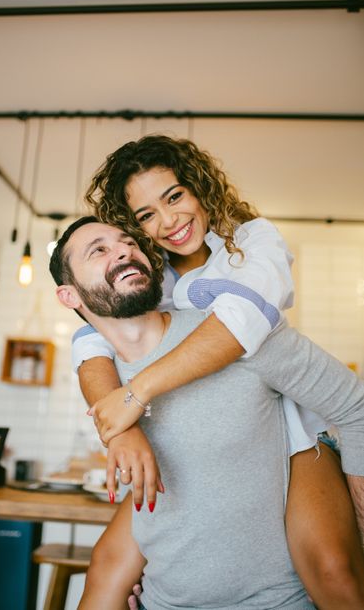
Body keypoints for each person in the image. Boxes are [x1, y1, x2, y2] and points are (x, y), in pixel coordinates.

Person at [72, 135, 364, 609]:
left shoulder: (253, 242)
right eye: (146, 216)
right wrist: (119, 432)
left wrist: (134, 397)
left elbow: (240, 326)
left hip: (287, 434)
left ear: (199, 186)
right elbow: (91, 339)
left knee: (332, 570)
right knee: (107, 562)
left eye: (174, 197)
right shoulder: (147, 271)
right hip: (197, 452)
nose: (168, 222)